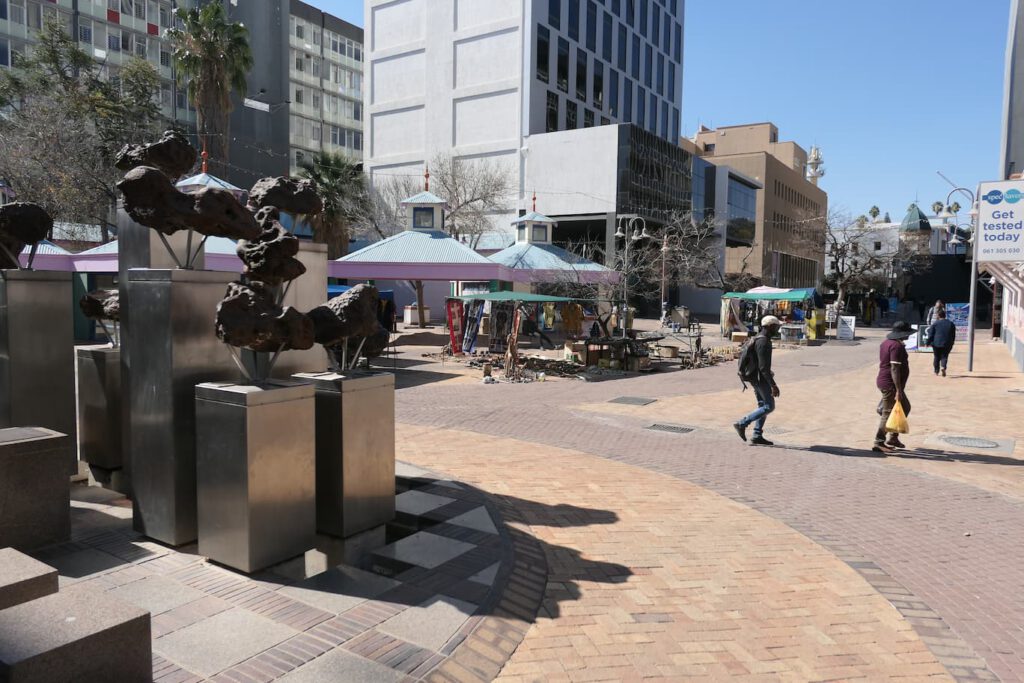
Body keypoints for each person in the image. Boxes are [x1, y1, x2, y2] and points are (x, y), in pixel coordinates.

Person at [733, 316, 782, 446]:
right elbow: (763, 368)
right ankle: (742, 423)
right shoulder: (763, 342)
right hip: (760, 379)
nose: (778, 329)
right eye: (776, 326)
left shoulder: (758, 338)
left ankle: (757, 435)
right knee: (769, 406)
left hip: (755, 378)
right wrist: (773, 385)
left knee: (762, 405)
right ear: (770, 326)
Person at [874, 321, 914, 453]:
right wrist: (898, 390)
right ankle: (879, 442)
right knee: (888, 412)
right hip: (890, 384)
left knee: (905, 407)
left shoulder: (887, 343)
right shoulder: (896, 346)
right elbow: (894, 368)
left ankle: (893, 437)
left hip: (888, 383)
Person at [925, 308, 956, 377]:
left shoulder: (935, 324)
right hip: (947, 343)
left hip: (936, 343)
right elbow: (953, 335)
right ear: (945, 315)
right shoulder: (951, 323)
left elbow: (931, 334)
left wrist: (927, 343)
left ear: (938, 316)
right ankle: (943, 367)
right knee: (944, 356)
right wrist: (952, 342)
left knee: (936, 357)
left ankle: (936, 371)